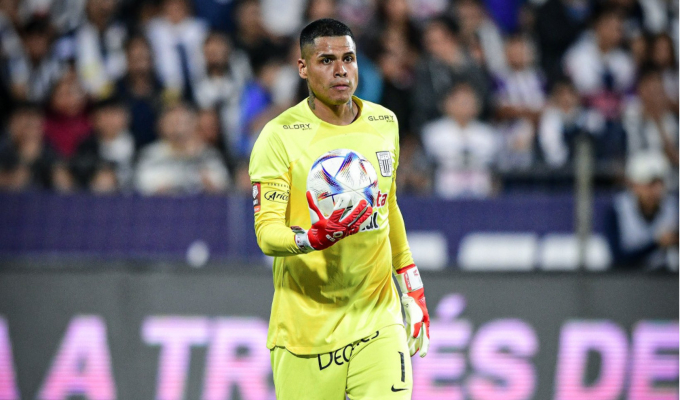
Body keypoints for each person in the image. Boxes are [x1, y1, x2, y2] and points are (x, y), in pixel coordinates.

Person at [249, 18, 430, 399]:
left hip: (377, 318)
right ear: (303, 68)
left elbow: (388, 206)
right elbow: (267, 233)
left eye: (348, 58)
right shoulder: (279, 137)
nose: (341, 70)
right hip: (305, 330)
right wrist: (311, 238)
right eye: (326, 60)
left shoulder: (384, 123)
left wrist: (411, 284)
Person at [604, 151, 678, 270]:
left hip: (662, 276)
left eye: (660, 184)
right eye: (650, 184)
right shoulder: (617, 209)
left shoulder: (673, 206)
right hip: (627, 276)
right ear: (634, 185)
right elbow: (618, 259)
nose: (656, 191)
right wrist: (657, 243)